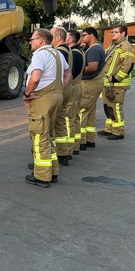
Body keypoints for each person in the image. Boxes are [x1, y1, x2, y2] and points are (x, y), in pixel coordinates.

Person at [23, 29, 71, 188]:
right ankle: (53, 171)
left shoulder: (39, 55)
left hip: (41, 99)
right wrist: (58, 90)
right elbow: (68, 75)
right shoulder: (58, 54)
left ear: (41, 40)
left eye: (32, 39)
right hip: (56, 97)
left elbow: (35, 77)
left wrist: (27, 93)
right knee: (49, 134)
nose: (30, 42)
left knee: (39, 136)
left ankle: (42, 176)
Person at [100, 24, 135, 140]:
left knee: (116, 107)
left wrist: (115, 78)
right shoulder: (113, 46)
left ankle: (118, 132)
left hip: (118, 84)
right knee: (108, 106)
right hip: (108, 83)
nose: (112, 34)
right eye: (112, 32)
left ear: (123, 33)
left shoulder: (126, 46)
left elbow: (127, 66)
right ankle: (109, 129)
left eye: (115, 32)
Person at [78, 27, 105, 150]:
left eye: (84, 35)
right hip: (95, 84)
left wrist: (78, 71)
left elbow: (92, 67)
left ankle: (81, 141)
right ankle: (90, 139)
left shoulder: (94, 50)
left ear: (92, 35)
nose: (82, 38)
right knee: (90, 113)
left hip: (89, 84)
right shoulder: (94, 48)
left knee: (82, 112)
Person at [50, 26, 73, 167]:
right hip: (67, 88)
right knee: (60, 121)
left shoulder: (59, 52)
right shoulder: (68, 50)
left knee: (51, 124)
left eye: (51, 35)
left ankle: (52, 157)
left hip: (59, 90)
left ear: (58, 37)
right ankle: (63, 154)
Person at [66, 30, 86, 156]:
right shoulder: (81, 51)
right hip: (79, 86)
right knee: (75, 117)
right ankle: (76, 145)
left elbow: (71, 73)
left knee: (68, 119)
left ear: (70, 40)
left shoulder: (74, 53)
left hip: (73, 87)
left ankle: (68, 148)